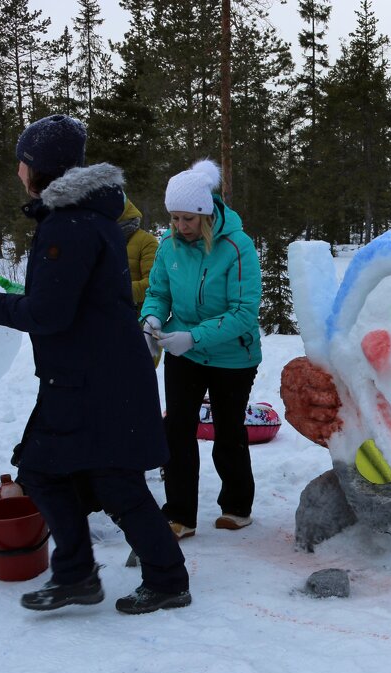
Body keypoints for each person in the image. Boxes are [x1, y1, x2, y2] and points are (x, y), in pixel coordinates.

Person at [0, 113, 190, 614]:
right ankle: (82, 574)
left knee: (96, 479)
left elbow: (49, 312)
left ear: (37, 167)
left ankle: (156, 580)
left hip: (94, 380)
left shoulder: (67, 224)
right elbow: (67, 300)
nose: (17, 170)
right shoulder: (86, 217)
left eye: (21, 162)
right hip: (92, 374)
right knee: (56, 471)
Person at [140, 159, 262, 539]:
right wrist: (153, 319)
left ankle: (236, 506)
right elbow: (158, 292)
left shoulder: (237, 247)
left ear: (205, 214)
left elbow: (244, 312)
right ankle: (179, 514)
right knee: (176, 430)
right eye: (174, 218)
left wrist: (194, 336)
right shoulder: (168, 247)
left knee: (228, 431)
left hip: (232, 356)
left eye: (187, 219)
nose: (180, 227)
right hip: (184, 353)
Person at [119, 196, 158, 315]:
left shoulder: (146, 241)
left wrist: (118, 290)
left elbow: (154, 283)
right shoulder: (101, 239)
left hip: (135, 320)